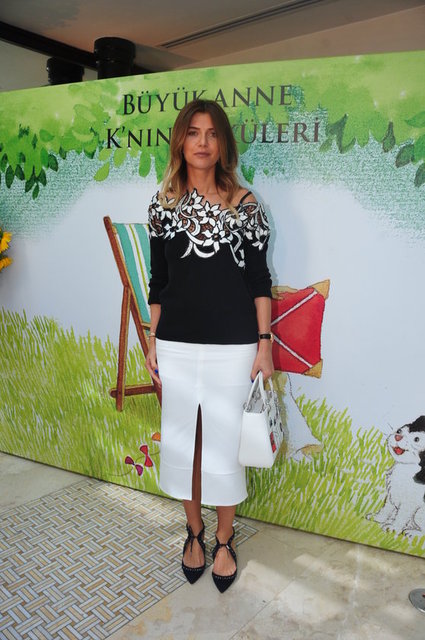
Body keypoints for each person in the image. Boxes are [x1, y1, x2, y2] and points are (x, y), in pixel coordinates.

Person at [145, 99, 273, 593]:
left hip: (234, 346)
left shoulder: (245, 204)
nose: (202, 142)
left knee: (223, 444)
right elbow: (158, 282)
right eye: (193, 132)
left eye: (212, 133)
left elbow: (259, 279)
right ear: (180, 141)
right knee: (183, 442)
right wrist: (153, 341)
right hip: (175, 345)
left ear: (223, 144)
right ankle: (193, 532)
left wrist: (264, 344)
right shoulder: (162, 205)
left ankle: (224, 539)